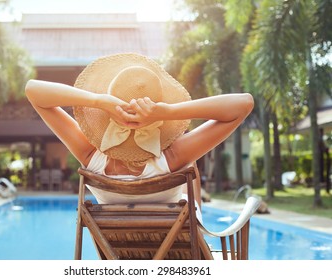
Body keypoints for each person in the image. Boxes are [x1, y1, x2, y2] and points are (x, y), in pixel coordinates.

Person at [25, 53, 253, 207]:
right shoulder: (172, 159)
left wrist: (98, 101)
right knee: (189, 168)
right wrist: (168, 112)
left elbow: (33, 90)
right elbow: (243, 104)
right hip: (177, 252)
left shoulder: (90, 157)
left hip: (116, 254)